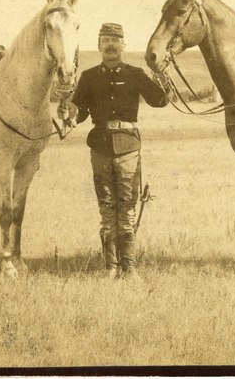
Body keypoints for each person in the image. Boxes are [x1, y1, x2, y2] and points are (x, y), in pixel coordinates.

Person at [59, 22, 169, 280]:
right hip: (100, 148)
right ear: (98, 45)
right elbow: (80, 112)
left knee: (127, 209)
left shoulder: (135, 74)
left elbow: (159, 100)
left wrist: (162, 77)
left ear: (123, 45)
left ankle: (129, 268)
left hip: (129, 148)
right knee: (107, 208)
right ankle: (111, 268)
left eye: (115, 40)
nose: (110, 44)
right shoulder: (88, 77)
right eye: (105, 39)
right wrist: (69, 112)